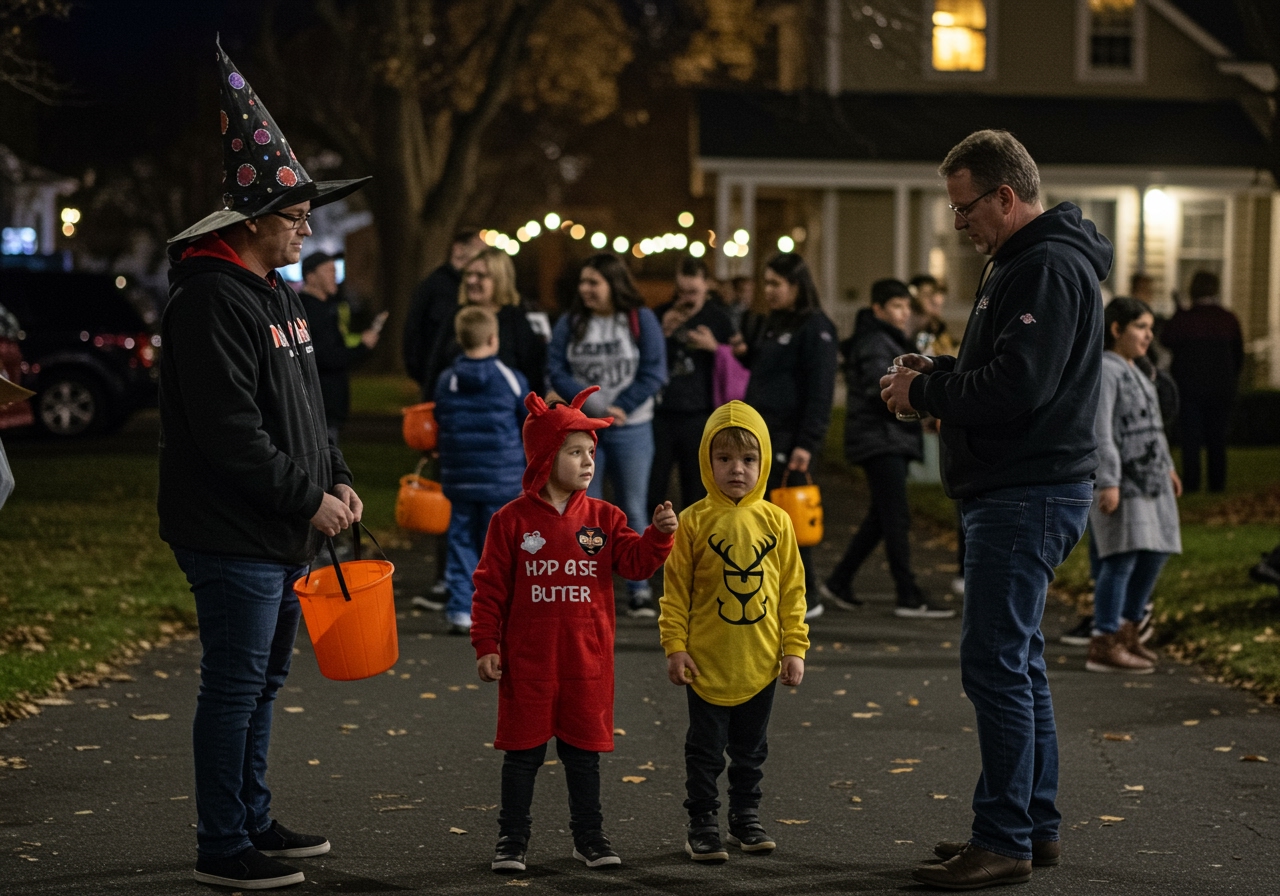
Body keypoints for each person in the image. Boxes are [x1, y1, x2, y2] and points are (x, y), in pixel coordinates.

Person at [159, 39, 371, 890]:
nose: (308, 229)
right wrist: (306, 497)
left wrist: (339, 474)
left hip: (277, 526)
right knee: (236, 685)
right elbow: (230, 434)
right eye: (295, 217)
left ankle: (251, 815)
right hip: (231, 530)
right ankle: (222, 847)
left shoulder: (281, 296)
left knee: (263, 683)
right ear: (253, 221)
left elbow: (308, 407)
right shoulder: (208, 301)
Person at [880, 129, 1111, 890]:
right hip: (1028, 487)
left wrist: (928, 393)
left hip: (1025, 491)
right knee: (1020, 662)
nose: (958, 222)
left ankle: (1005, 835)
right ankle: (1029, 826)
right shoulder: (1029, 261)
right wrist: (943, 369)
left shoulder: (1043, 264)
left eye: (965, 205)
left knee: (997, 664)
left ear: (1005, 197)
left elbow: (1019, 387)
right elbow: (1011, 369)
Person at [470, 386, 678, 873]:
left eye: (591, 452)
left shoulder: (606, 518)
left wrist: (659, 536)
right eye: (575, 452)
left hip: (587, 663)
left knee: (584, 757)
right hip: (528, 663)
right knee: (522, 757)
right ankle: (511, 840)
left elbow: (636, 563)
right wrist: (486, 643)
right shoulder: (510, 521)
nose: (588, 462)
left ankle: (590, 838)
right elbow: (489, 588)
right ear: (546, 456)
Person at [658, 400, 808, 864]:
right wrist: (675, 647)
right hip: (706, 662)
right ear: (707, 461)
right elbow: (675, 592)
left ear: (763, 462)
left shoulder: (777, 521)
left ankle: (745, 818)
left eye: (747, 459)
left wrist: (794, 647)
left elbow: (791, 591)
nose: (736, 470)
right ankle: (702, 823)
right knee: (704, 752)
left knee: (750, 752)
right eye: (723, 459)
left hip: (761, 663)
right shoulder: (693, 522)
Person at [822, 279, 953, 618]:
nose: (903, 313)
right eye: (896, 306)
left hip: (885, 436)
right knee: (895, 517)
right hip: (879, 438)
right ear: (878, 308)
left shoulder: (886, 339)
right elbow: (879, 392)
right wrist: (917, 407)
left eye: (907, 307)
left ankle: (840, 579)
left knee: (882, 517)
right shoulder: (876, 342)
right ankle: (908, 594)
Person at [547, 253, 667, 617]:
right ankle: (590, 584)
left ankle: (639, 587)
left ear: (613, 284)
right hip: (583, 433)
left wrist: (623, 406)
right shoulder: (572, 323)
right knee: (585, 510)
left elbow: (654, 370)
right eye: (583, 282)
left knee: (632, 507)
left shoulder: (639, 319)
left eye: (593, 282)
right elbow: (555, 368)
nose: (585, 290)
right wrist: (589, 404)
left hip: (632, 428)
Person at [730, 252, 837, 619]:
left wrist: (807, 443)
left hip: (788, 439)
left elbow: (819, 392)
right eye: (767, 283)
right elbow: (769, 371)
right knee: (764, 516)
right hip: (762, 435)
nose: (769, 291)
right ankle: (779, 589)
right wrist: (747, 355)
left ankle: (807, 595)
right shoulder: (775, 323)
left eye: (777, 284)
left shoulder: (815, 327)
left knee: (788, 519)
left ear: (797, 285)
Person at [1086, 297, 1182, 674]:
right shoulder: (1106, 371)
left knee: (1155, 551)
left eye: (1149, 327)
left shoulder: (1137, 370)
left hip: (1151, 480)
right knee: (1121, 556)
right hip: (1123, 481)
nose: (1149, 335)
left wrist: (1169, 467)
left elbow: (1153, 429)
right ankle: (1104, 639)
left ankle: (1128, 629)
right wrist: (1108, 481)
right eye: (1141, 327)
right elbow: (1101, 429)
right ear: (1116, 329)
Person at [433, 306, 528, 635]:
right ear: (493, 338)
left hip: (460, 477)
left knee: (460, 541)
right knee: (499, 547)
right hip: (501, 479)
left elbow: (442, 421)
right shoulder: (512, 380)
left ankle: (461, 608)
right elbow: (525, 425)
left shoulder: (448, 380)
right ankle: (499, 608)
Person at [650, 255, 735, 512]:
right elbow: (645, 359)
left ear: (707, 286)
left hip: (700, 415)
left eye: (694, 292)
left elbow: (739, 357)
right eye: (682, 291)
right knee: (654, 487)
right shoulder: (662, 314)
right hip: (661, 414)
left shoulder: (717, 318)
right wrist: (662, 334)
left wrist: (714, 347)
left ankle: (694, 545)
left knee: (696, 491)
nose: (687, 298)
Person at [1159, 270, 1243, 493]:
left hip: (1189, 389)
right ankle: (1217, 484)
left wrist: (1178, 314)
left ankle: (1192, 484)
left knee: (1191, 439)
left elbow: (1167, 339)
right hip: (1221, 389)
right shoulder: (1228, 318)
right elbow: (1238, 356)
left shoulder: (1185, 319)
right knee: (1217, 439)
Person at [297, 251, 386, 444]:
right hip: (319, 405)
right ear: (310, 276)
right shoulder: (307, 311)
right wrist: (363, 347)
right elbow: (327, 356)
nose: (335, 276)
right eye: (328, 270)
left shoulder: (326, 308)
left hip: (327, 405)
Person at [435, 247, 546, 395]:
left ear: (500, 279)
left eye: (481, 275)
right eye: (468, 274)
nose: (471, 280)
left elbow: (533, 373)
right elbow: (435, 368)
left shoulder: (515, 321)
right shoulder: (456, 317)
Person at [403, 228, 487, 399]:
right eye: (478, 247)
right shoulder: (434, 285)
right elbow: (413, 331)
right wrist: (423, 375)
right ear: (458, 249)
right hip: (439, 378)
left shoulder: (469, 288)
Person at [909, 274, 957, 356]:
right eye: (927, 295)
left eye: (938, 294)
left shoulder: (936, 326)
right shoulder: (909, 325)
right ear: (915, 296)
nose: (937, 301)